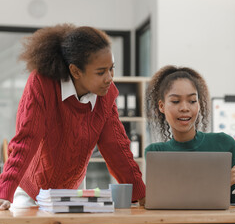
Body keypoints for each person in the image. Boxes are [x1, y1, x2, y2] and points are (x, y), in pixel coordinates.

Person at [0, 24, 145, 210]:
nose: (109, 78)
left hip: (72, 192)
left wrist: (140, 193)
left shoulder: (106, 95)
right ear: (76, 71)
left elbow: (116, 146)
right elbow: (26, 140)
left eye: (111, 68)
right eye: (101, 72)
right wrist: (4, 191)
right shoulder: (42, 84)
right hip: (31, 191)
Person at [145, 65, 235, 204]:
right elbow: (166, 204)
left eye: (192, 101)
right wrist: (221, 182)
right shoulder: (156, 153)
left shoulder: (224, 143)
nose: (185, 108)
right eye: (175, 101)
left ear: (199, 104)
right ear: (161, 106)